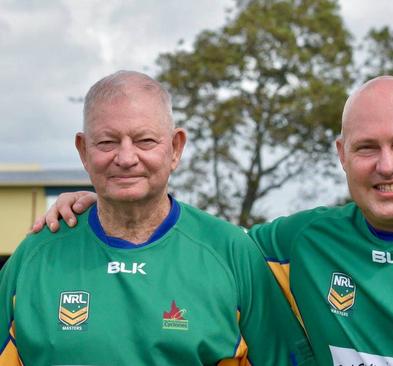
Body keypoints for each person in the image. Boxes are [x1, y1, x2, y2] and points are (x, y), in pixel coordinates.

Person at [33, 76, 393, 365]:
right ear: (341, 155)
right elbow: (191, 245)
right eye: (366, 148)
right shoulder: (300, 243)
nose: (386, 165)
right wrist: (102, 205)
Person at [1, 71, 313, 365]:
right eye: (107, 142)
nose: (125, 158)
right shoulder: (35, 256)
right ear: (84, 150)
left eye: (145, 141)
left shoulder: (230, 252)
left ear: (175, 148)